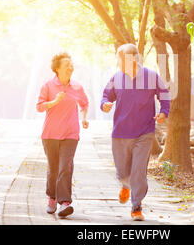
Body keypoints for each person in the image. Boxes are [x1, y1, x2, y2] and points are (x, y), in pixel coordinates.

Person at [100, 44, 170, 221]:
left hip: (144, 132)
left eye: (120, 58)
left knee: (138, 171)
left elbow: (164, 94)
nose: (118, 62)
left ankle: (136, 206)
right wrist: (105, 104)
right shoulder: (116, 78)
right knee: (123, 172)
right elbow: (106, 96)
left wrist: (163, 112)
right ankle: (125, 184)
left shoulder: (151, 76)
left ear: (131, 58)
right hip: (121, 133)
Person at [36, 52, 89, 218]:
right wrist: (54, 102)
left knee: (65, 167)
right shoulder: (48, 86)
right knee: (53, 169)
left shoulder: (77, 87)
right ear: (57, 69)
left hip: (71, 133)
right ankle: (52, 197)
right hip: (50, 134)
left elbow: (84, 104)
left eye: (71, 64)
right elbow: (39, 106)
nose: (70, 67)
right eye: (67, 65)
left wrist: (84, 118)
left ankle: (64, 203)